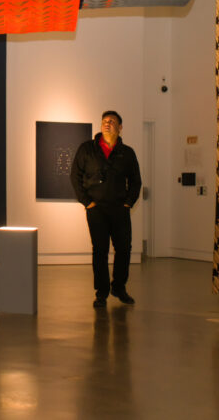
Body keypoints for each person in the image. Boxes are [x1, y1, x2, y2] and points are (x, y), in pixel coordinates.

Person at [70, 110, 142, 308]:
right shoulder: (87, 149)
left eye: (111, 121)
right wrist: (87, 202)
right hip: (97, 209)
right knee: (100, 250)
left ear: (120, 127)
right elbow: (75, 176)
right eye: (104, 121)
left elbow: (136, 181)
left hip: (120, 209)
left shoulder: (127, 153)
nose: (107, 124)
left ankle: (119, 287)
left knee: (124, 249)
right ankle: (101, 292)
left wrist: (128, 202)